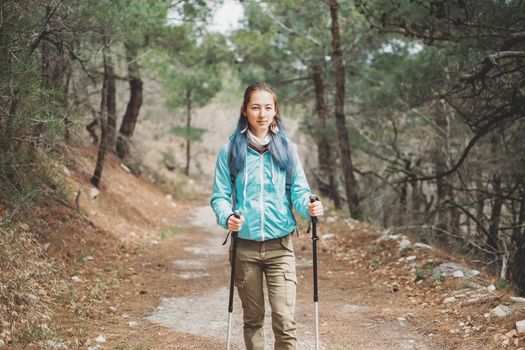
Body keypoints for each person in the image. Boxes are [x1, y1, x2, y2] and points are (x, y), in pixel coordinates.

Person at [210, 81, 324, 350]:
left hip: (280, 247)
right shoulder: (230, 151)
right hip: (244, 248)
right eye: (255, 107)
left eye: (268, 107)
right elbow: (220, 196)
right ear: (245, 110)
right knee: (253, 319)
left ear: (275, 111)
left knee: (284, 319)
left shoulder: (287, 149)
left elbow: (299, 190)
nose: (262, 113)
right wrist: (227, 216)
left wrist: (310, 205)